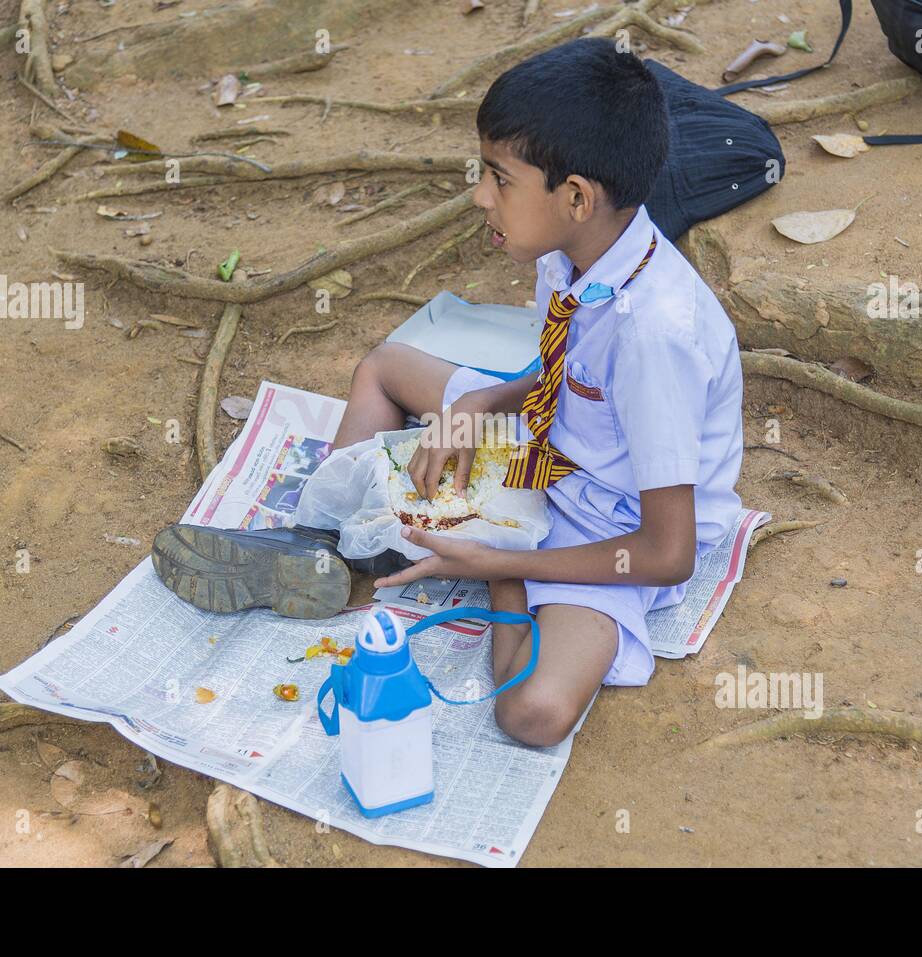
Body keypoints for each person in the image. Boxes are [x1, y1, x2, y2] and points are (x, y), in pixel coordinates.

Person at [152, 38, 744, 747]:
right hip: (552, 446)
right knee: (386, 366)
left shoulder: (656, 335)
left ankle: (480, 569)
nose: (479, 195)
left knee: (531, 711)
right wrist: (483, 403)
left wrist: (502, 562)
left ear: (577, 196)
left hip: (612, 528)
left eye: (499, 178)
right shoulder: (576, 250)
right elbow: (572, 370)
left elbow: (667, 550)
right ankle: (320, 549)